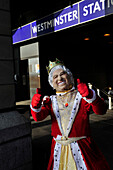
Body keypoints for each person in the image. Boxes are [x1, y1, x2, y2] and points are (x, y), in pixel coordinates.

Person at [30, 58, 110, 170]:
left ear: (70, 77)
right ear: (52, 84)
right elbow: (38, 117)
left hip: (83, 150)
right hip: (59, 150)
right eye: (55, 77)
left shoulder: (81, 96)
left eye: (62, 74)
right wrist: (35, 106)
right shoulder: (50, 101)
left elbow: (101, 110)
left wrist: (90, 96)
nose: (59, 78)